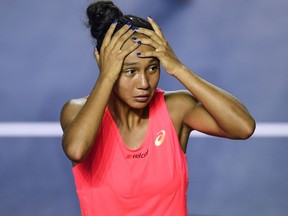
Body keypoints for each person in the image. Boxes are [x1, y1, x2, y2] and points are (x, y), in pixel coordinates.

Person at [60, 1, 256, 215]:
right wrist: (106, 76)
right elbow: (76, 150)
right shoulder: (76, 111)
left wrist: (179, 68)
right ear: (105, 64)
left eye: (153, 68)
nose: (144, 83)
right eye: (130, 71)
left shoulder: (176, 110)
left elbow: (243, 127)